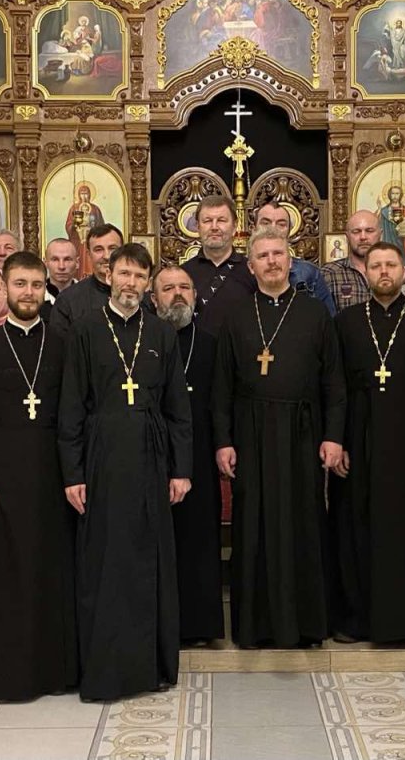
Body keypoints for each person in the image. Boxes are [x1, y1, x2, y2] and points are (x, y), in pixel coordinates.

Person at [58, 243, 192, 700]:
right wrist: (72, 473)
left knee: (148, 558)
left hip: (152, 456)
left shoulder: (162, 333)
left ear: (148, 283)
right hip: (101, 456)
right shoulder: (86, 330)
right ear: (108, 275)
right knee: (105, 561)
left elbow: (179, 409)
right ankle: (107, 666)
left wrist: (181, 469)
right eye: (124, 274)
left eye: (139, 276)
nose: (131, 283)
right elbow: (71, 407)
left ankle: (150, 666)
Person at [213, 230, 346, 648]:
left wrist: (333, 437)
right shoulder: (235, 315)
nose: (271, 261)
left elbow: (334, 383)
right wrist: (223, 440)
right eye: (262, 256)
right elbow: (221, 386)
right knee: (253, 524)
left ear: (291, 261)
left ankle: (304, 625)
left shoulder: (314, 313)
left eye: (278, 254)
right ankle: (255, 627)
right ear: (250, 267)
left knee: (302, 520)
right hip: (250, 430)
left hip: (303, 431)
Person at [0, 252, 78, 700]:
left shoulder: (65, 342)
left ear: (45, 287)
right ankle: (7, 675)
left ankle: (57, 672)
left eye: (35, 284)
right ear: (5, 288)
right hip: (1, 484)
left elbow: (76, 415)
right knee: (8, 577)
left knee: (53, 573)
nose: (28, 293)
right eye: (20, 284)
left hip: (53, 480)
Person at [333, 242, 405, 644]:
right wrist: (340, 442)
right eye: (376, 265)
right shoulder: (346, 321)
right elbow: (336, 388)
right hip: (360, 438)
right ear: (365, 271)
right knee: (357, 528)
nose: (383, 272)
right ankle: (358, 619)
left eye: (391, 265)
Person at [152, 265, 223, 644]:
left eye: (184, 287)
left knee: (198, 539)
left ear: (195, 296)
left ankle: (199, 626)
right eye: (168, 288)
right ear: (154, 298)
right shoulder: (143, 341)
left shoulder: (212, 343)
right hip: (151, 453)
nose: (177, 294)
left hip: (199, 453)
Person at [53, 223, 151, 336]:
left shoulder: (142, 296)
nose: (106, 256)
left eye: (113, 248)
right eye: (98, 249)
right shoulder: (68, 300)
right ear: (89, 255)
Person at [182, 196, 256, 331]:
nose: (214, 227)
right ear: (198, 227)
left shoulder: (252, 271)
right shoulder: (183, 274)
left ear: (234, 226)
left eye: (221, 220)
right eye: (207, 221)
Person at [253, 201, 336, 314]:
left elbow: (327, 319)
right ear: (254, 228)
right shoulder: (240, 271)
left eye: (281, 224)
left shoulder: (309, 273)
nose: (273, 228)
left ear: (290, 230)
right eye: (266, 223)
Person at [320, 210, 382, 313]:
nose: (363, 237)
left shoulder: (392, 271)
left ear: (380, 234)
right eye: (356, 231)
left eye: (369, 231)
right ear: (347, 236)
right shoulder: (328, 273)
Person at [45, 236, 79, 301]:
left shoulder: (89, 296)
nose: (61, 266)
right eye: (55, 259)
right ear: (46, 263)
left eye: (67, 259)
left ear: (77, 263)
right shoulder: (35, 297)